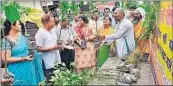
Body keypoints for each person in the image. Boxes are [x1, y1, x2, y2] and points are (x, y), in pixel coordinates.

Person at [1, 20, 44, 85]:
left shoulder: (23, 38)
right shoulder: (6, 41)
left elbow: (28, 49)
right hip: (16, 71)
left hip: (29, 69)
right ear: (12, 26)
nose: (21, 26)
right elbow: (5, 59)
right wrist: (24, 58)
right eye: (19, 24)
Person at [35, 14, 62, 82]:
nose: (54, 23)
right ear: (46, 23)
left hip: (56, 60)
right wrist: (53, 48)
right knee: (51, 82)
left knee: (58, 81)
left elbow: (54, 43)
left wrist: (58, 47)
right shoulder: (41, 33)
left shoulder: (52, 31)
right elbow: (38, 48)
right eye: (52, 22)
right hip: (48, 63)